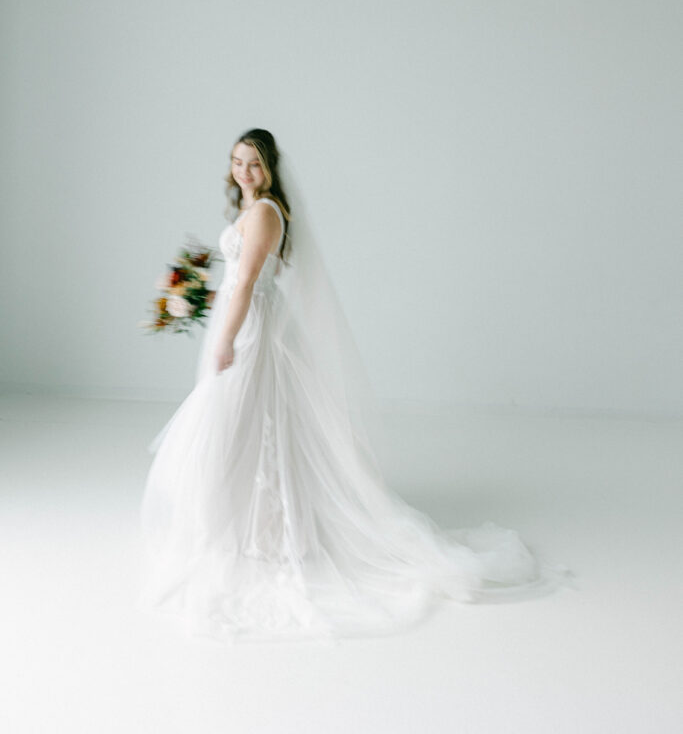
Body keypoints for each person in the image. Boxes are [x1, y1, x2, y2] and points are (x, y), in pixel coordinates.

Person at [137, 128, 575, 645]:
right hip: (247, 319)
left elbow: (250, 281)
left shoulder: (264, 213)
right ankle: (243, 524)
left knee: (244, 422)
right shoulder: (254, 210)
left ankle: (265, 530)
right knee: (244, 424)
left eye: (253, 163)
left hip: (253, 327)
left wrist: (227, 336)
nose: (244, 171)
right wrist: (200, 300)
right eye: (237, 161)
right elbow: (238, 278)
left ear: (271, 168)